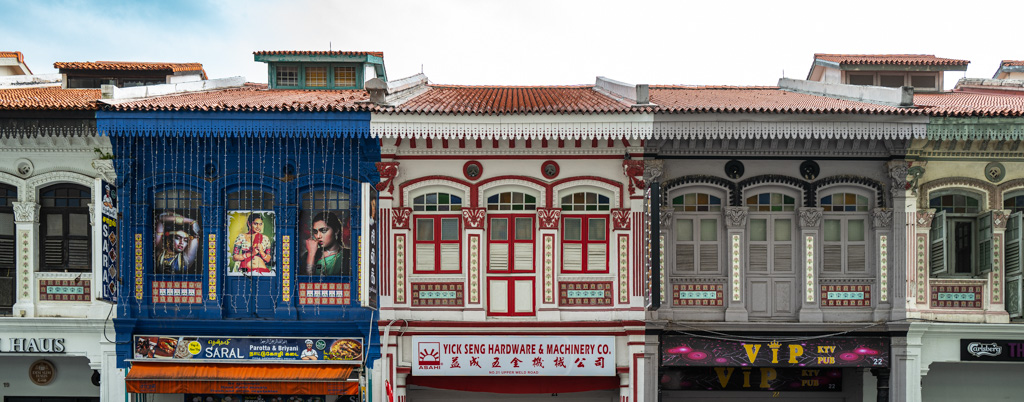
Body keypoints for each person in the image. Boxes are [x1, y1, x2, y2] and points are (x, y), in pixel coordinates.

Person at [303, 211, 350, 275]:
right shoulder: (308, 255)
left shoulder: (348, 256)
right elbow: (306, 281)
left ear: (336, 230)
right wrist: (311, 254)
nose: (318, 236)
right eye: (315, 232)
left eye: (323, 231)